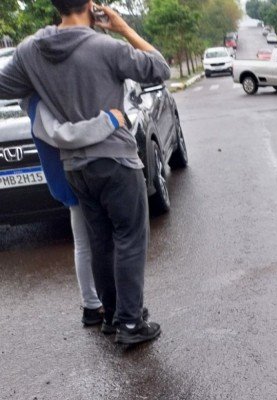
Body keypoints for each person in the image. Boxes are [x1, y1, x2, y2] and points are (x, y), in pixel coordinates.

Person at [0, 0, 171, 345]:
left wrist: (43, 89)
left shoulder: (30, 51)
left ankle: (111, 317)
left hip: (75, 167)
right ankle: (130, 324)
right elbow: (160, 68)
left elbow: (7, 88)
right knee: (129, 239)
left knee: (101, 242)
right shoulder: (106, 47)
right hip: (116, 160)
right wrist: (122, 28)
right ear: (91, 5)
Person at [24, 94, 120, 327]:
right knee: (86, 244)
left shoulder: (40, 98)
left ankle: (95, 302)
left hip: (74, 175)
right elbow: (62, 136)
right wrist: (108, 122)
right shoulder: (37, 103)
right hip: (71, 177)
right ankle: (92, 304)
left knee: (87, 242)